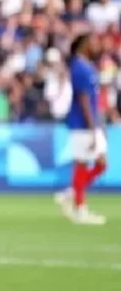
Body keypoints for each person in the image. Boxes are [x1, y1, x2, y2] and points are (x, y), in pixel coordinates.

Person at [54, 33, 107, 225]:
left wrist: (99, 125)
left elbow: (93, 99)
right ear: (84, 45)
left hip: (91, 123)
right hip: (82, 124)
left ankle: (71, 192)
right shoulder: (79, 67)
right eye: (93, 42)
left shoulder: (88, 66)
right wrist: (92, 127)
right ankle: (79, 208)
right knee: (82, 164)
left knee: (101, 163)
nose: (97, 45)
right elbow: (83, 99)